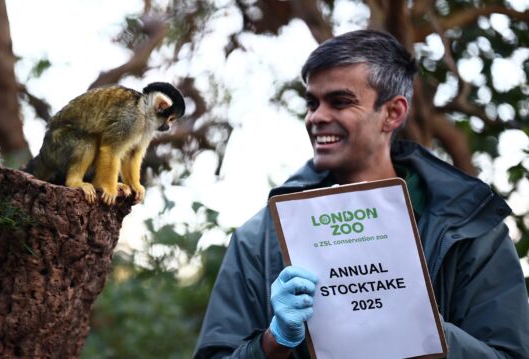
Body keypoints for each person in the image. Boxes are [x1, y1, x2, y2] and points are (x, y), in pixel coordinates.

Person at [194, 29, 529, 359]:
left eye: (340, 102)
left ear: (393, 113)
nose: (317, 117)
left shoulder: (472, 228)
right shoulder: (261, 238)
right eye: (312, 103)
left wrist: (431, 335)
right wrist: (272, 343)